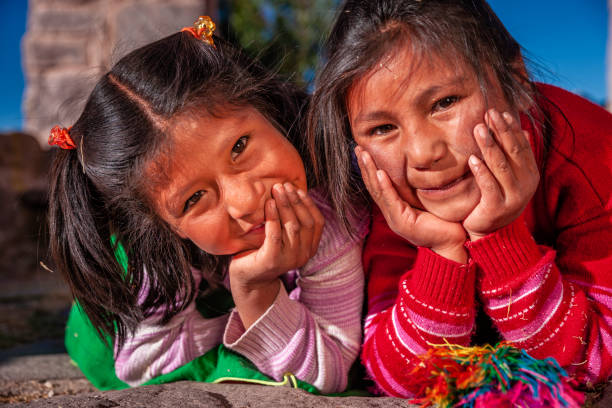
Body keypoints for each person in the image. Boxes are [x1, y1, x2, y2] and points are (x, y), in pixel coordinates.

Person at [307, 0, 612, 397]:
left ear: (517, 82)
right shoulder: (397, 194)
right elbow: (396, 377)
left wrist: (499, 236)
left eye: (445, 103)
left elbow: (593, 361)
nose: (422, 153)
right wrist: (442, 251)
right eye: (382, 128)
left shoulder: (594, 158)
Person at [48, 16, 367, 394]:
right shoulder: (159, 262)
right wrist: (252, 288)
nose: (247, 202)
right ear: (165, 226)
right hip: (116, 323)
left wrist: (259, 300)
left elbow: (330, 369)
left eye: (239, 147)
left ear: (266, 109)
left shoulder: (331, 212)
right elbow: (139, 368)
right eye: (194, 199)